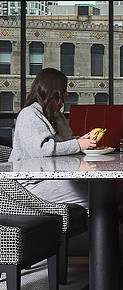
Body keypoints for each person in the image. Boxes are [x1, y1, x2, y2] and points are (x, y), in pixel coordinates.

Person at [9, 68, 97, 207]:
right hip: (29, 184)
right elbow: (41, 151)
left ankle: (115, 224)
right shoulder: (29, 115)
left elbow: (67, 142)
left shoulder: (55, 115)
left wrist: (87, 139)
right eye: (63, 90)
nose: (66, 93)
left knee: (96, 188)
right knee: (91, 197)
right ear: (53, 92)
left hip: (51, 176)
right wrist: (78, 145)